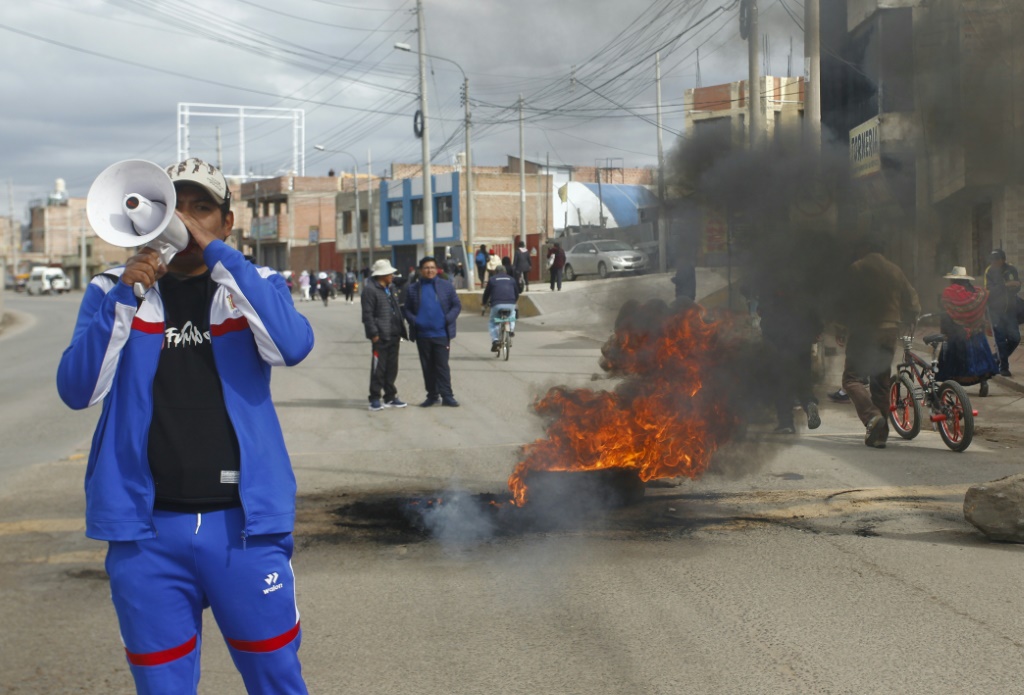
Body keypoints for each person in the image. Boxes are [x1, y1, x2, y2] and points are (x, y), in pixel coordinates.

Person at [56, 157, 313, 694]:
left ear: (227, 221)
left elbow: (292, 345)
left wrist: (219, 257)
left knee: (276, 680)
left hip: (244, 530)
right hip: (145, 534)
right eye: (176, 207)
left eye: (202, 209)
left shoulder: (250, 283)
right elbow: (77, 390)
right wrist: (126, 297)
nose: (187, 221)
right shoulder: (111, 289)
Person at [836, 238, 921, 449]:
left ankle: (872, 416)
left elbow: (843, 302)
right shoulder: (895, 270)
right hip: (889, 331)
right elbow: (912, 300)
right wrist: (910, 319)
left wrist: (840, 326)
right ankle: (880, 435)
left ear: (865, 248)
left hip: (864, 331)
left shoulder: (857, 268)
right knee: (881, 383)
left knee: (851, 379)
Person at [755, 273, 822, 434]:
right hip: (802, 340)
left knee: (781, 382)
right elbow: (813, 310)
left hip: (779, 342)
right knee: (803, 378)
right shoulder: (801, 282)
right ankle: (809, 404)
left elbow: (762, 311)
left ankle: (786, 422)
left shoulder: (770, 281)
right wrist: (816, 330)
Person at [403, 256, 462, 407]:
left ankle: (447, 396)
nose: (430, 270)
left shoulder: (446, 286)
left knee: (442, 366)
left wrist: (447, 318)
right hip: (423, 335)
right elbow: (406, 309)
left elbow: (456, 305)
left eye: (432, 268)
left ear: (437, 270)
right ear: (421, 270)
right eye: (426, 268)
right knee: (427, 367)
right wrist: (414, 321)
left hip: (441, 334)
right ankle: (432, 395)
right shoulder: (413, 288)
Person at [361, 259, 409, 411]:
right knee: (378, 369)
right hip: (380, 336)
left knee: (392, 368)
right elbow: (367, 315)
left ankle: (390, 396)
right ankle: (375, 397)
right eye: (389, 273)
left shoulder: (391, 288)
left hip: (394, 333)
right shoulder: (370, 290)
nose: (392, 276)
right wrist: (373, 334)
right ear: (382, 275)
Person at [937, 266, 999, 385]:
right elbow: (984, 302)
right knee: (980, 358)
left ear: (953, 279)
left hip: (957, 332)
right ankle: (982, 381)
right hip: (975, 330)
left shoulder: (949, 291)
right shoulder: (977, 292)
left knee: (954, 359)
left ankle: (952, 383)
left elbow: (946, 310)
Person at [983, 249, 1021, 377]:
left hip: (1010, 310)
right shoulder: (989, 271)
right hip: (995, 311)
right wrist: (1006, 285)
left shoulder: (1011, 269)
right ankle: (1003, 367)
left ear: (1003, 260)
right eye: (992, 259)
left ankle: (996, 358)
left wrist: (1015, 285)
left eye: (996, 259)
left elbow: (1017, 285)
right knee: (1000, 340)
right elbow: (989, 291)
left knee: (1015, 339)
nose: (993, 262)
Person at [482, 265, 520, 352]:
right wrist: (513, 302)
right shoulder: (511, 279)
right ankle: (510, 330)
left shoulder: (492, 280)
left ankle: (495, 340)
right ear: (505, 272)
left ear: (496, 272)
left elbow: (486, 294)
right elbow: (517, 293)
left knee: (493, 322)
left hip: (497, 304)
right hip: (510, 304)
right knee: (512, 316)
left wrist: (484, 303)